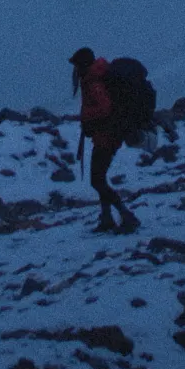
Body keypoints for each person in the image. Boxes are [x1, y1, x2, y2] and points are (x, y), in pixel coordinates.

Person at [70, 45, 136, 233]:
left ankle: (126, 215)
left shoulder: (94, 82)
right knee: (99, 178)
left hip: (106, 137)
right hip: (106, 136)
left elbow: (104, 108)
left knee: (97, 181)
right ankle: (107, 218)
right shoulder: (94, 78)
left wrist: (87, 116)